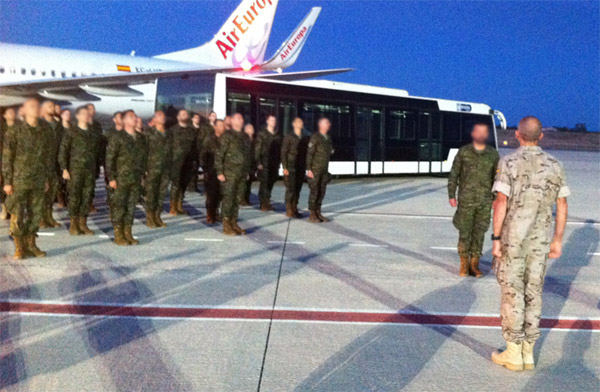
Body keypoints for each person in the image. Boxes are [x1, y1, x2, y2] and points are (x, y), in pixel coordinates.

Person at [490, 116, 570, 372]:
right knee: (533, 293)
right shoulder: (555, 164)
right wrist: (557, 240)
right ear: (541, 136)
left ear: (517, 135)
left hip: (513, 242)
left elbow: (501, 202)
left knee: (512, 293)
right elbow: (562, 204)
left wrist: (496, 239)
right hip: (539, 243)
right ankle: (528, 352)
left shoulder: (509, 162)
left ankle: (514, 352)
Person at [2, 98, 54, 259]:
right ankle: (19, 247)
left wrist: (46, 178)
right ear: (23, 110)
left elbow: (47, 157)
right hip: (19, 180)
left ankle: (31, 245)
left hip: (38, 179)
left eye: (38, 106)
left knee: (35, 213)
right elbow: (7, 158)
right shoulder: (15, 130)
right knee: (17, 213)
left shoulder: (45, 129)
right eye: (31, 106)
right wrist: (8, 181)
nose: (35, 109)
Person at [447, 122, 499, 277]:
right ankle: (464, 264)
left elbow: (497, 178)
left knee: (479, 232)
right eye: (478, 131)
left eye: (484, 132)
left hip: (485, 201)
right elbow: (454, 174)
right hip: (466, 200)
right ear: (473, 134)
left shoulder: (493, 154)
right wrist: (451, 195)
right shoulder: (464, 152)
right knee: (464, 231)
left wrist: (496, 198)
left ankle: (474, 265)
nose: (481, 135)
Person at [106, 110, 148, 245]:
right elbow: (110, 158)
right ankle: (118, 235)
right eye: (131, 116)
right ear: (124, 121)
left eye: (135, 116)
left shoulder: (141, 138)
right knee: (119, 206)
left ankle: (128, 232)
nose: (135, 118)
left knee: (131, 207)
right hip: (121, 178)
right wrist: (111, 178)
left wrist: (142, 174)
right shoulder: (118, 137)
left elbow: (144, 157)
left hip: (135, 178)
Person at [58, 106, 102, 235]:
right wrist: (64, 168)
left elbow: (98, 152)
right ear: (77, 116)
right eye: (83, 113)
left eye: (88, 114)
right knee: (74, 197)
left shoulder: (94, 133)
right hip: (75, 170)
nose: (86, 116)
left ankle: (83, 224)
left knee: (87, 197)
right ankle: (74, 224)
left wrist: (97, 168)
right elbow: (63, 151)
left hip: (90, 171)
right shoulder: (71, 132)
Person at [216, 113, 251, 235]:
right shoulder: (227, 136)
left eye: (242, 118)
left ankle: (234, 222)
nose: (240, 120)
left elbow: (247, 155)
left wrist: (247, 171)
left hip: (241, 173)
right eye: (237, 118)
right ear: (232, 121)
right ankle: (226, 225)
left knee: (237, 199)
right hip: (229, 172)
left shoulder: (245, 136)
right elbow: (220, 154)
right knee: (228, 198)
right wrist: (220, 171)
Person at [144, 111, 173, 228]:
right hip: (152, 167)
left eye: (163, 115)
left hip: (165, 168)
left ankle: (157, 216)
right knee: (151, 193)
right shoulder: (148, 133)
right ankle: (150, 218)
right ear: (154, 119)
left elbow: (171, 151)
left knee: (161, 193)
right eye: (159, 116)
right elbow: (144, 151)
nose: (163, 117)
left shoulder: (169, 133)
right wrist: (145, 167)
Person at [39, 100, 64, 228]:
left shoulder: (58, 125)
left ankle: (49, 217)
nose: (53, 108)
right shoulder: (39, 125)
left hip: (55, 163)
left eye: (53, 106)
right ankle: (40, 218)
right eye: (49, 106)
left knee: (51, 192)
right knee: (41, 192)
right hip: (42, 163)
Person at [169, 109, 196, 215]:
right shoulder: (172, 130)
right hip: (176, 161)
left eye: (186, 114)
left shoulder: (192, 131)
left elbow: (195, 146)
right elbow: (168, 147)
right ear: (178, 117)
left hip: (188, 161)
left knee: (184, 184)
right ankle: (173, 207)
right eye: (182, 114)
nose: (185, 116)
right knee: (176, 184)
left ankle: (180, 205)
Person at [306, 118, 334, 223]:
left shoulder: (328, 138)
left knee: (322, 191)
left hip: (324, 169)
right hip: (315, 169)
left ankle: (318, 212)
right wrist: (309, 169)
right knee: (314, 190)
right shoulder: (315, 137)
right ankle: (312, 214)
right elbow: (309, 154)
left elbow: (331, 151)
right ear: (321, 125)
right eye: (327, 123)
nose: (329, 124)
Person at [281, 117, 308, 218]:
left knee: (298, 188)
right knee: (291, 189)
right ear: (294, 124)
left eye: (302, 122)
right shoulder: (289, 136)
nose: (301, 123)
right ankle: (289, 209)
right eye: (299, 122)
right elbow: (283, 152)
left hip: (300, 166)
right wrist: (285, 167)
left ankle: (295, 208)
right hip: (291, 166)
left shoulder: (304, 137)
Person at [254, 114, 281, 211]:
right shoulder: (262, 134)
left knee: (271, 183)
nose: (273, 122)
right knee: (264, 184)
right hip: (264, 163)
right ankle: (263, 203)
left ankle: (267, 201)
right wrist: (258, 162)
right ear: (267, 121)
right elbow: (257, 149)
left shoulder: (277, 135)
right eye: (271, 120)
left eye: (274, 120)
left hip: (274, 163)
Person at [201, 119, 225, 224]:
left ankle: (216, 213)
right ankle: (210, 214)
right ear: (215, 127)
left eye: (223, 125)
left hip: (223, 170)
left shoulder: (226, 139)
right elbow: (203, 155)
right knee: (211, 194)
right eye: (219, 125)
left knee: (220, 194)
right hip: (211, 170)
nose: (222, 127)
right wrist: (205, 169)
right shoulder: (209, 139)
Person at [1, 107, 18, 220]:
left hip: (16, 162)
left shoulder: (19, 128)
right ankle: (4, 208)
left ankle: (12, 210)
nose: (13, 114)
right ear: (4, 115)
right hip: (3, 161)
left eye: (13, 112)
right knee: (3, 186)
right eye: (10, 112)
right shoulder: (2, 129)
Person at [86, 103, 103, 213]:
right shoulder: (79, 124)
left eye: (94, 109)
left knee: (91, 183)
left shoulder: (97, 125)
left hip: (94, 158)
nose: (93, 111)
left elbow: (100, 141)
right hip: (81, 160)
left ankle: (89, 203)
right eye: (90, 109)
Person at [240, 123, 256, 206]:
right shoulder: (243, 140)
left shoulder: (254, 140)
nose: (252, 129)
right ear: (245, 130)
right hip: (245, 165)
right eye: (250, 128)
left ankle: (247, 198)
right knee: (244, 183)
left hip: (252, 165)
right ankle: (242, 199)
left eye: (252, 128)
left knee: (249, 183)